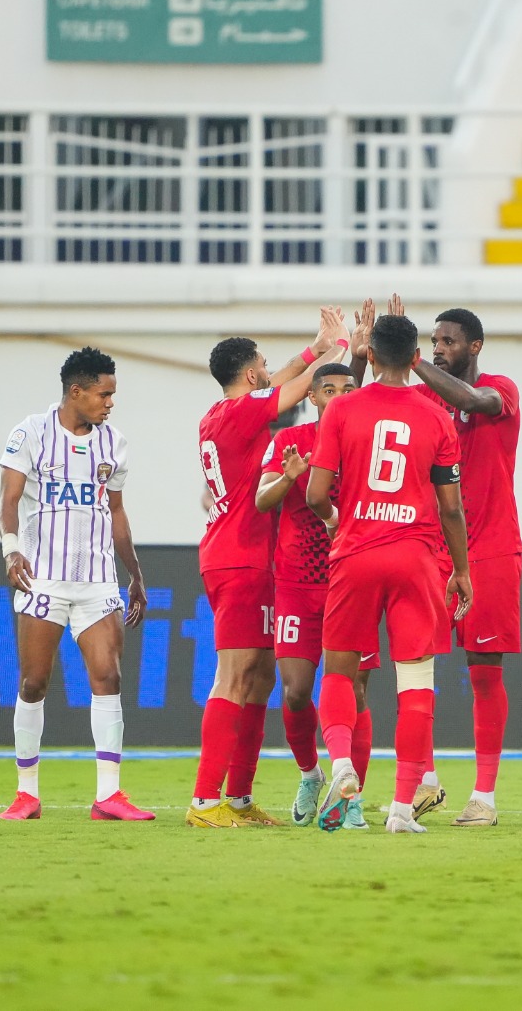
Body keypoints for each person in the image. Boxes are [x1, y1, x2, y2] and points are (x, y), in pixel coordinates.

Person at [305, 313, 472, 835]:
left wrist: (339, 520)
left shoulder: (342, 408)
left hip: (356, 554)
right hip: (415, 559)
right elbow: (451, 507)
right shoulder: (437, 417)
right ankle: (401, 809)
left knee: (339, 671)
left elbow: (315, 494)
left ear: (371, 355)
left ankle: (342, 764)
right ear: (415, 357)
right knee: (416, 682)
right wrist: (462, 569)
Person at [186, 310, 349, 829]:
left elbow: (279, 383)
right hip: (240, 557)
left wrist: (314, 348)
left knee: (257, 682)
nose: (268, 369)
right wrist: (336, 349)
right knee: (233, 677)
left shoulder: (221, 412)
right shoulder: (242, 412)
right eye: (262, 363)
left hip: (239, 555)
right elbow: (296, 389)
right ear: (250, 373)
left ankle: (238, 797)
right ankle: (204, 801)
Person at [367, 295, 521, 828]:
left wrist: (412, 360)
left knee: (484, 670)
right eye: (432, 342)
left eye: (447, 341)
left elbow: (474, 401)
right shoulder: (424, 400)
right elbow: (374, 406)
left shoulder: (500, 389)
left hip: (490, 547)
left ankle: (484, 796)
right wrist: (376, 348)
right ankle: (425, 780)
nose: (438, 348)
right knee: (418, 665)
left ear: (475, 346)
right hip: (430, 550)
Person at [0, 347, 152, 822]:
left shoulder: (114, 443)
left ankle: (109, 795)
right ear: (76, 391)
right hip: (42, 577)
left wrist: (135, 572)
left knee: (109, 677)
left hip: (97, 580)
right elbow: (8, 499)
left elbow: (116, 511)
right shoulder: (30, 433)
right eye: (104, 394)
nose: (110, 403)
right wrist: (10, 549)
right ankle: (26, 794)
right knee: (34, 682)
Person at [255, 361, 380, 831]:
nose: (339, 397)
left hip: (352, 580)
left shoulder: (368, 442)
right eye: (329, 390)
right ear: (312, 397)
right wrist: (290, 477)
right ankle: (311, 774)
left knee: (356, 690)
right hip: (296, 583)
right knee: (295, 692)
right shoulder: (291, 441)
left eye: (348, 389)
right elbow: (261, 500)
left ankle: (352, 798)